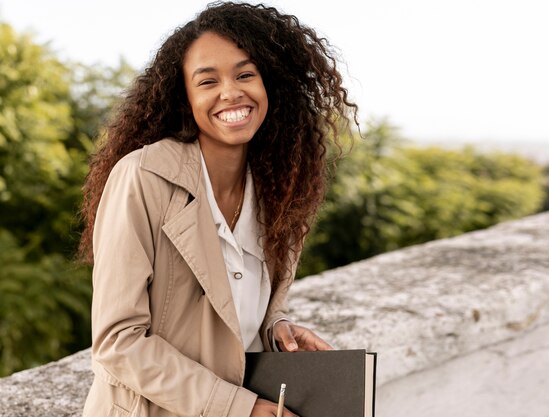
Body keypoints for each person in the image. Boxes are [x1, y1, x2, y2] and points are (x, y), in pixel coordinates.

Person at [79, 2, 358, 417]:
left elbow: (246, 305)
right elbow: (118, 342)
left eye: (246, 74)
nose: (231, 92)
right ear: (185, 97)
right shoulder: (143, 177)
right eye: (207, 81)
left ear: (271, 85)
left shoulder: (280, 187)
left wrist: (277, 328)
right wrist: (238, 408)